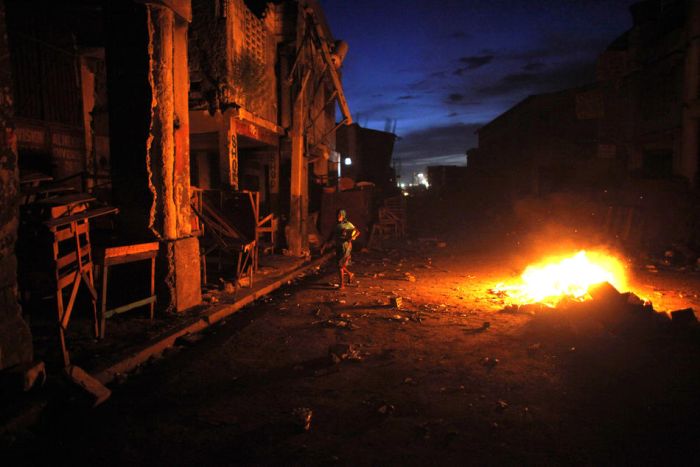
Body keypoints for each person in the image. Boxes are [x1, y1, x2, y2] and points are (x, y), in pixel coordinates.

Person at [322, 209, 360, 289]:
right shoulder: (336, 226)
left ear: (343, 216)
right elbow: (331, 236)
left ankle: (342, 285)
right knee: (340, 265)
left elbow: (357, 232)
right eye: (337, 215)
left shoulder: (348, 224)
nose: (338, 216)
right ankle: (350, 274)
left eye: (340, 215)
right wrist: (324, 245)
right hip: (338, 246)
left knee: (340, 266)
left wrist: (353, 237)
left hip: (346, 247)